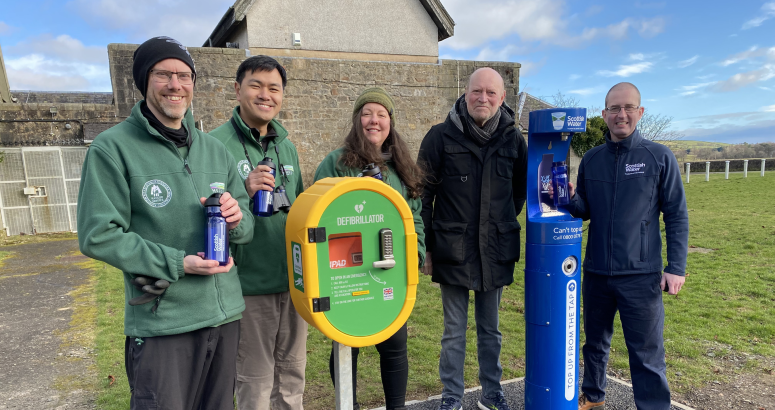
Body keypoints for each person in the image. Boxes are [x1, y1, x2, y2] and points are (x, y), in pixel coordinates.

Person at [77, 36, 254, 410]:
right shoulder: (112, 148)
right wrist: (177, 263)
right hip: (164, 323)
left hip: (224, 318)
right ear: (144, 82)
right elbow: (98, 235)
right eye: (163, 74)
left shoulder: (214, 149)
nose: (176, 84)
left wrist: (238, 219)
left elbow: (247, 226)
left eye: (184, 75)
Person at [563, 82, 688, 410]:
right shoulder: (591, 159)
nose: (621, 115)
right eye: (614, 109)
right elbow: (585, 209)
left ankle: (653, 406)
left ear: (640, 112)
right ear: (604, 114)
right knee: (594, 345)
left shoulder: (658, 157)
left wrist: (675, 268)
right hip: (597, 274)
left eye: (628, 108)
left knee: (646, 354)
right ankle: (593, 395)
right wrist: (568, 197)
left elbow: (676, 215)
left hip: (641, 275)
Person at [418, 68, 527, 410]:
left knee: (490, 330)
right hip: (452, 250)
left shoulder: (514, 140)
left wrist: (498, 225)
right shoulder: (439, 137)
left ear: (502, 98)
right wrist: (427, 249)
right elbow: (423, 197)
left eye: (490, 93)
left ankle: (491, 392)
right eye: (477, 92)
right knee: (453, 331)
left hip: (494, 250)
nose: (483, 98)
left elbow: (519, 194)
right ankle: (452, 396)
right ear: (465, 93)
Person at [313, 87, 426, 410]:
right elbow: (318, 217)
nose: (373, 120)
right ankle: (348, 405)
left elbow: (414, 216)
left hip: (389, 268)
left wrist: (415, 252)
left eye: (381, 114)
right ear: (356, 120)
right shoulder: (335, 163)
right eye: (367, 113)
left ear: (390, 122)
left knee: (395, 345)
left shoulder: (401, 166)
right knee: (347, 345)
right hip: (346, 271)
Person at [209, 55, 306, 410]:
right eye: (256, 85)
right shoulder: (215, 145)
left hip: (294, 284)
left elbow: (296, 208)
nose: (266, 95)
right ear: (237, 89)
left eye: (274, 88)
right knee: (255, 380)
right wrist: (244, 192)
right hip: (248, 286)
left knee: (293, 374)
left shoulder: (288, 146)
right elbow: (207, 218)